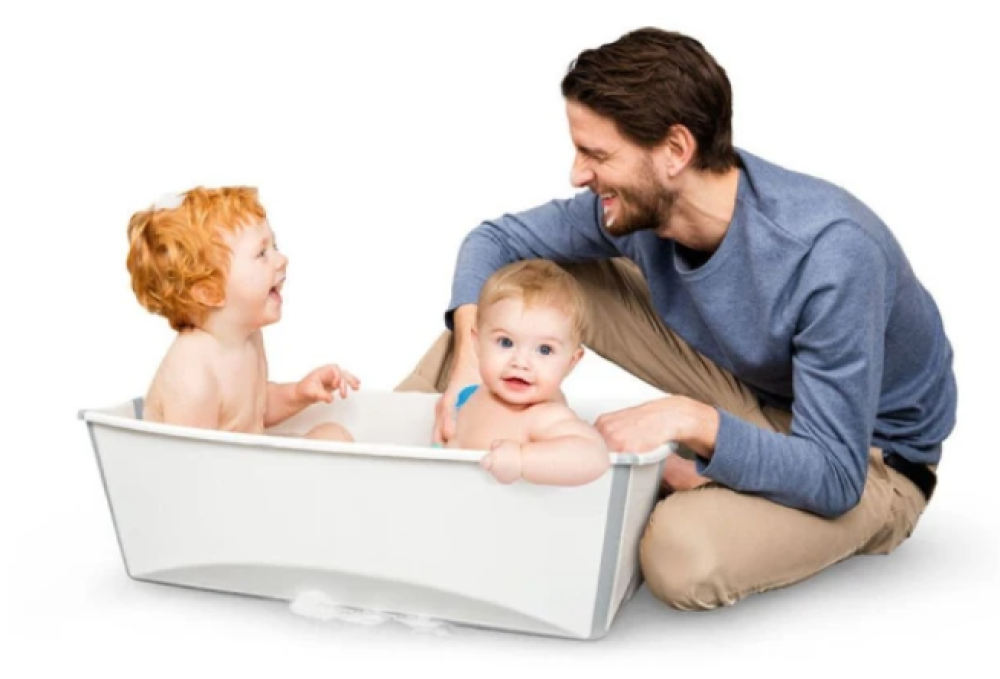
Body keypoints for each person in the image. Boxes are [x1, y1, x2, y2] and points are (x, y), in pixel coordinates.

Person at [394, 27, 958, 611]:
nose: (577, 174)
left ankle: (692, 483)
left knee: (679, 555)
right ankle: (390, 457)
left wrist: (689, 420)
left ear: (675, 150)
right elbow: (493, 241)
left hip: (866, 462)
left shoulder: (831, 254)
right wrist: (468, 366)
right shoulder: (635, 209)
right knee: (525, 286)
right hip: (755, 393)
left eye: (598, 155)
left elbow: (834, 475)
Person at [127, 186, 359, 441]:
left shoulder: (247, 336)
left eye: (275, 246)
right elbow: (192, 460)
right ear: (210, 292)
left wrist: (298, 393)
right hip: (209, 465)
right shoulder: (193, 375)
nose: (282, 259)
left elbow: (253, 411)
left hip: (242, 462)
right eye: (261, 253)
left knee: (333, 435)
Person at [445, 259, 610, 486]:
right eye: (505, 342)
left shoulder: (545, 416)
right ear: (477, 342)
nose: (521, 363)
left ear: (571, 362)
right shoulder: (478, 394)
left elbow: (594, 457)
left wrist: (522, 460)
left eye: (544, 350)